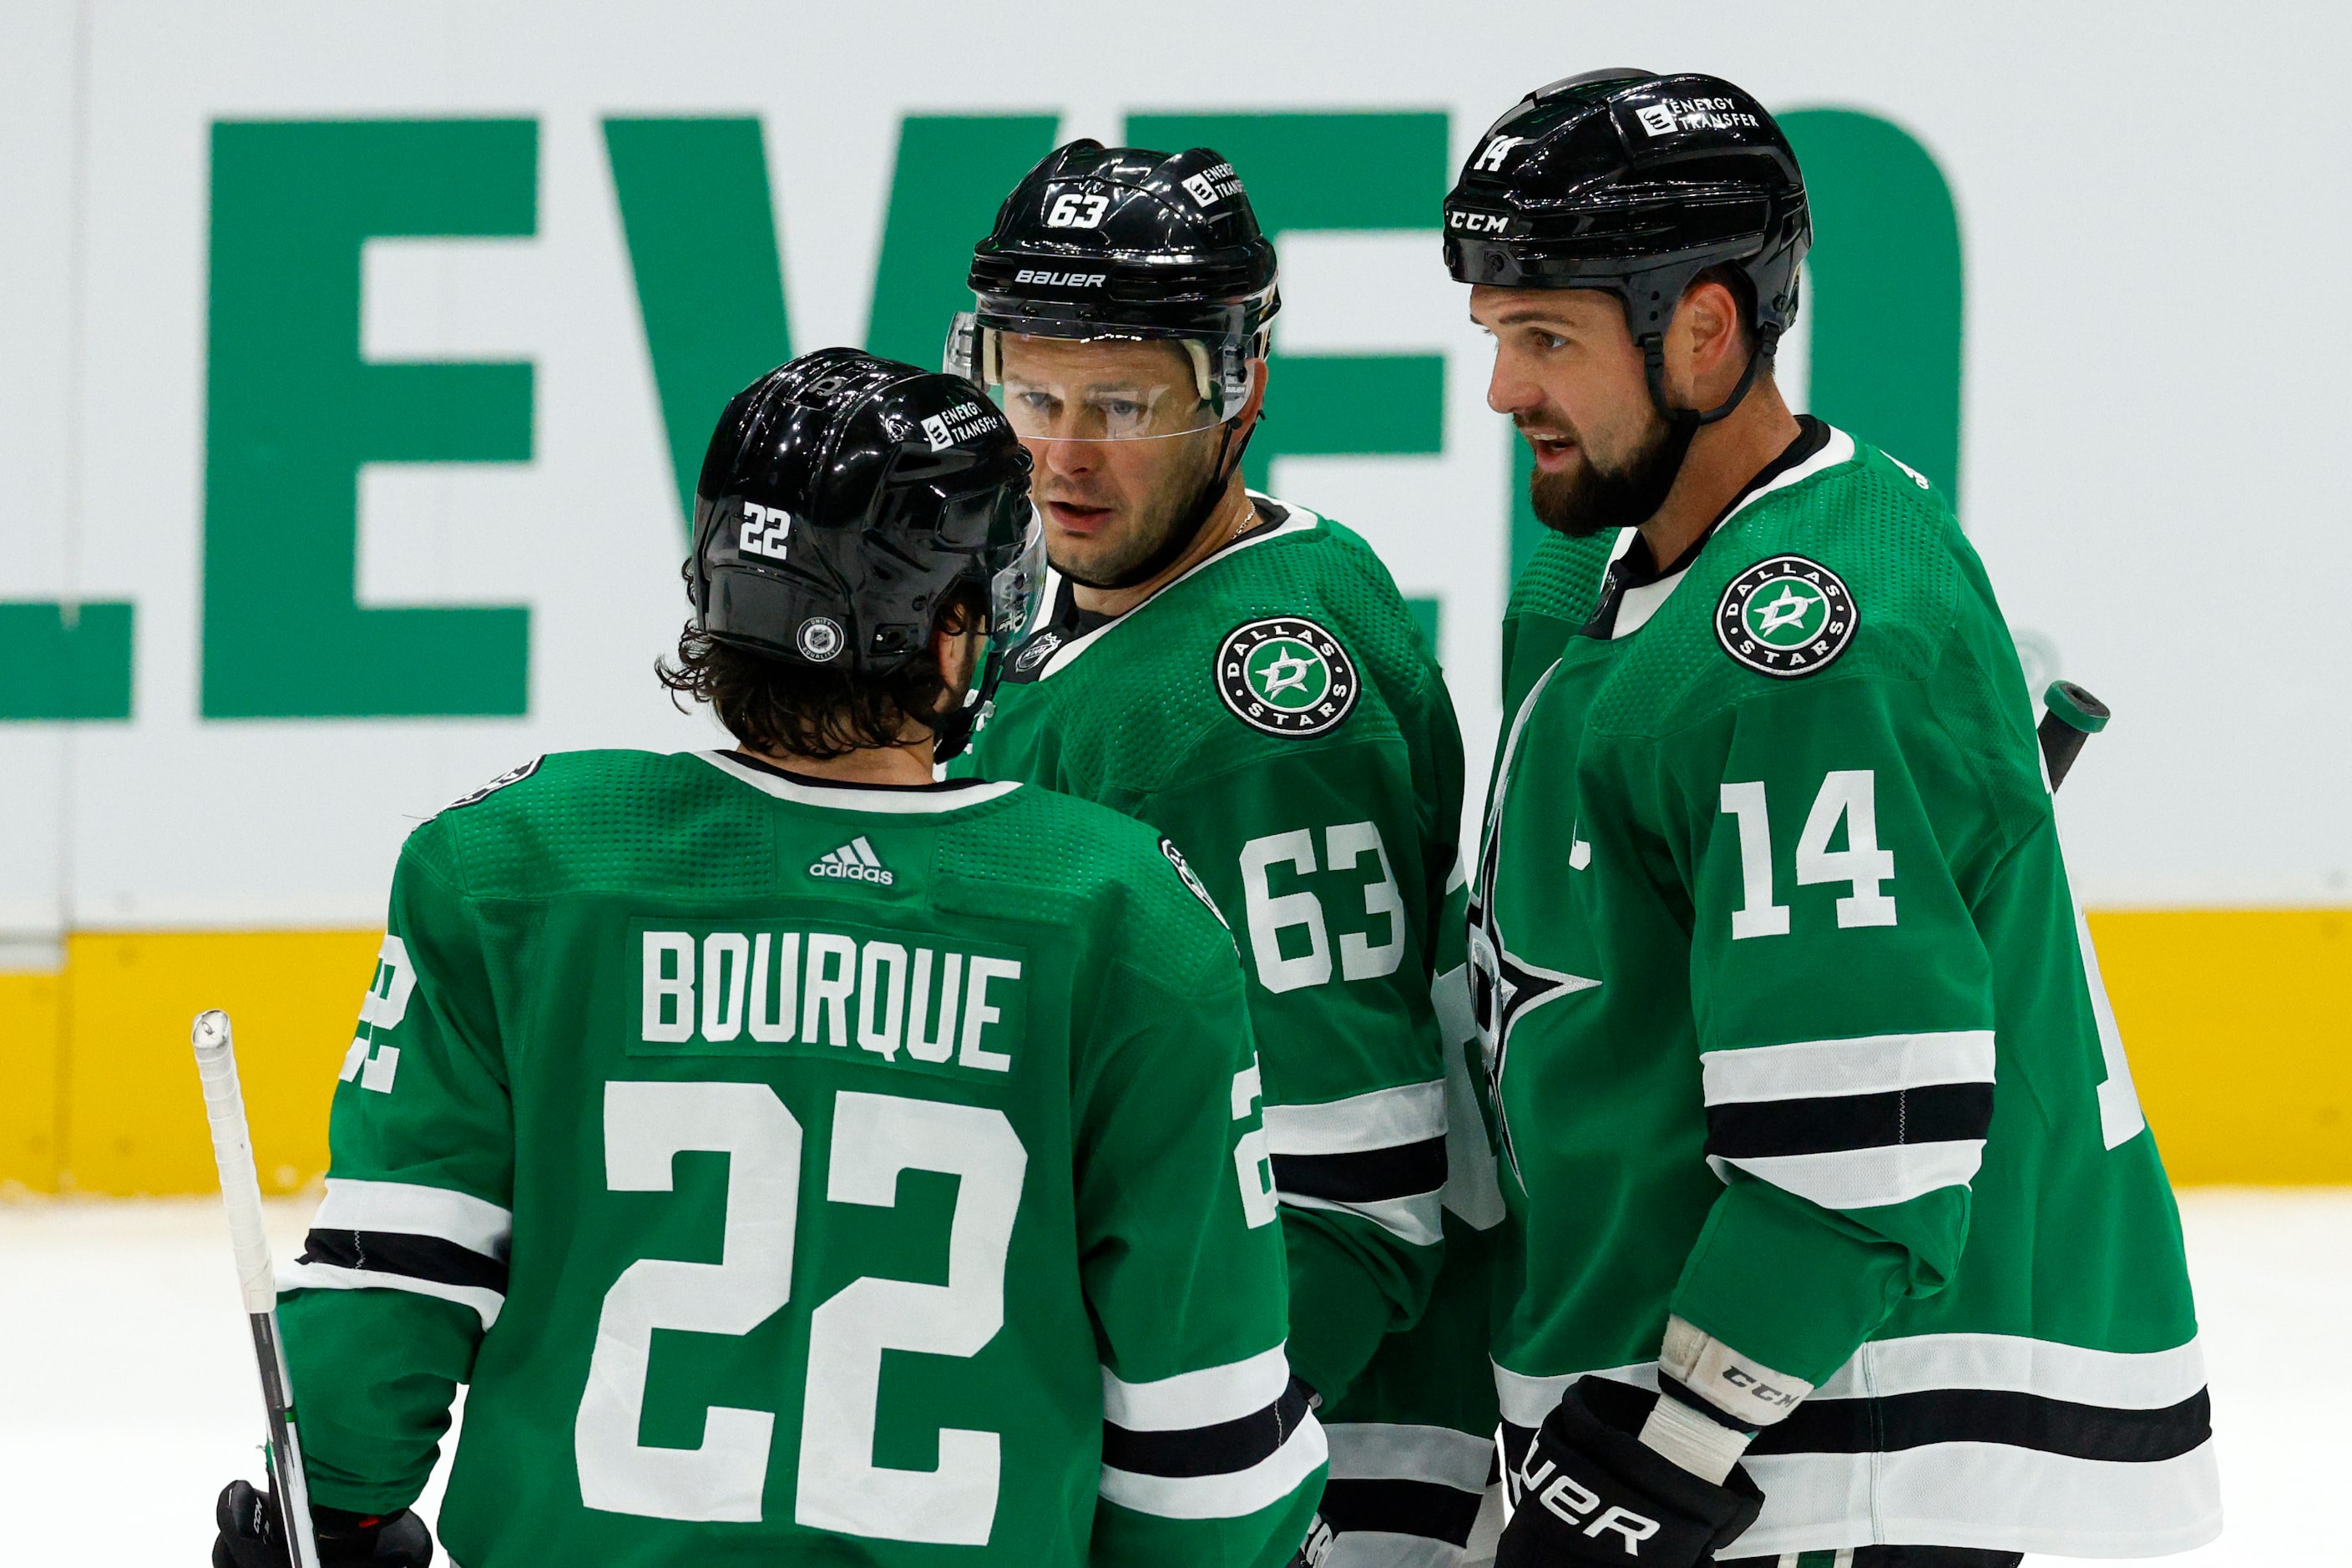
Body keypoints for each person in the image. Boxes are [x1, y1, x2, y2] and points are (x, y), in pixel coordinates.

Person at [210, 348, 1325, 1568]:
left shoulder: (514, 867)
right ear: (955, 629)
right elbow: (1204, 1433)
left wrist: (335, 1504)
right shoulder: (1125, 917)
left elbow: (397, 1283)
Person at [1444, 71, 2221, 1566]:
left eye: (1544, 339)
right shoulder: (1653, 569)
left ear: (1707, 329)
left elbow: (1865, 1146)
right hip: (1760, 1425)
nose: (1503, 392)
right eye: (1495, 336)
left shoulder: (1806, 640)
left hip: (1848, 1446)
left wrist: (1668, 1453)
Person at [947, 143, 1504, 1566]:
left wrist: (1165, 1482)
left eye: (1120, 403)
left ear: (1235, 386)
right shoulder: (1178, 590)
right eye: (1031, 390)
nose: (1059, 453)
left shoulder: (1245, 715)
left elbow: (1354, 1188)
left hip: (1303, 1460)